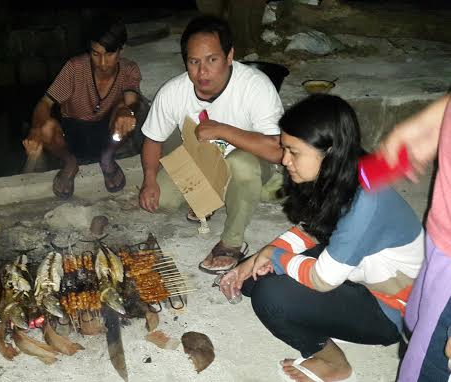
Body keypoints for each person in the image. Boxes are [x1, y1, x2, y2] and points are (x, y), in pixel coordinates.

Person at [222, 94, 424, 381]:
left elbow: (322, 279)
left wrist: (275, 257)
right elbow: (312, 228)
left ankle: (333, 363)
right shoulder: (340, 174)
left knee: (271, 296)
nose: (284, 160)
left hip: (391, 309)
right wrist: (260, 255)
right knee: (253, 279)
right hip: (357, 275)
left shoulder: (365, 200)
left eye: (293, 152)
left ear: (328, 152)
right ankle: (328, 319)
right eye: (284, 149)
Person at [138, 15, 284, 273]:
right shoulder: (173, 91)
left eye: (212, 60)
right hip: (204, 162)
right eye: (194, 62)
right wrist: (149, 179)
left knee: (241, 164)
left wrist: (222, 130)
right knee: (162, 200)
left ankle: (232, 242)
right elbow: (153, 138)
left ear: (229, 56)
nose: (202, 72)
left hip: (252, 161)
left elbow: (276, 150)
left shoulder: (255, 86)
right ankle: (222, 196)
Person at [22, 17, 142, 199]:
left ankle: (107, 159)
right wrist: (35, 130)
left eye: (109, 54)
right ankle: (69, 163)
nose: (102, 63)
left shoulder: (129, 70)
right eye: (96, 54)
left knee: (125, 111)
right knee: (45, 127)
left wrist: (128, 111)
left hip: (109, 133)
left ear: (121, 50)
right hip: (73, 132)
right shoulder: (75, 68)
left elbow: (132, 100)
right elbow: (45, 103)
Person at [379, 94, 451, 381]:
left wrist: (276, 257)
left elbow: (326, 275)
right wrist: (433, 120)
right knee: (416, 327)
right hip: (441, 235)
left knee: (428, 364)